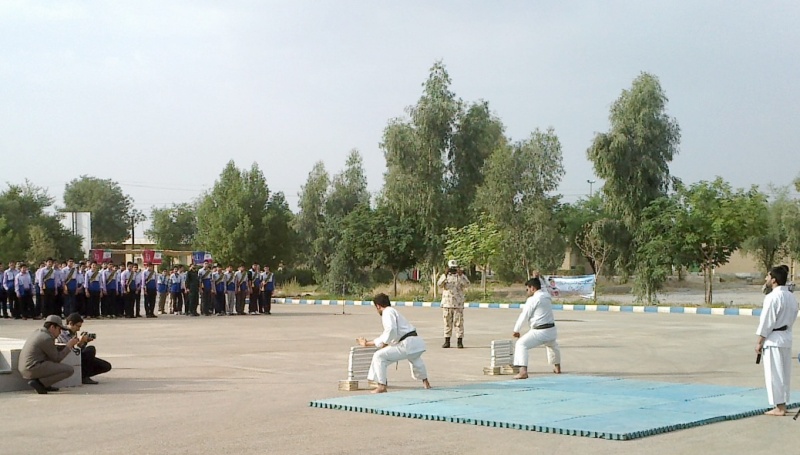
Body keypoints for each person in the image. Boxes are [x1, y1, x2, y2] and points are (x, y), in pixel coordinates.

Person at [356, 293, 431, 394]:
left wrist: (367, 343)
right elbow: (392, 334)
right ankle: (426, 383)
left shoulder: (387, 312)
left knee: (379, 356)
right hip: (415, 343)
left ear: (378, 306)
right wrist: (384, 343)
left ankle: (381, 385)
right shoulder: (394, 312)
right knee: (415, 359)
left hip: (406, 344)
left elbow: (391, 330)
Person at [755, 265, 799, 416]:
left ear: (774, 280)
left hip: (773, 339)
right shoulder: (791, 297)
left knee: (774, 373)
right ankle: (783, 404)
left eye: (768, 277)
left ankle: (779, 407)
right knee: (784, 373)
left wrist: (760, 341)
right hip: (786, 337)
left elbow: (767, 321)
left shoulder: (772, 297)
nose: (766, 279)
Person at [512, 277, 562, 379]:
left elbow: (524, 315)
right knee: (552, 345)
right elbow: (543, 287)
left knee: (521, 344)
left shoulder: (533, 300)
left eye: (527, 289)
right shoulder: (547, 296)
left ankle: (523, 372)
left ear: (533, 288)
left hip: (540, 331)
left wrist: (516, 330)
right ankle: (557, 368)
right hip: (551, 330)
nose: (527, 292)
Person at [18, 315, 81, 394]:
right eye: (59, 329)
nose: (60, 332)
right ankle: (41, 384)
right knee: (69, 370)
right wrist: (69, 346)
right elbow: (57, 358)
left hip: (27, 367)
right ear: (52, 327)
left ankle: (44, 384)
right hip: (32, 368)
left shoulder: (39, 332)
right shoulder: (46, 338)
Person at [58, 313, 112, 384]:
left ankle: (83, 374)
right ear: (70, 323)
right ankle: (84, 376)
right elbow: (70, 351)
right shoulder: (62, 334)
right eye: (77, 326)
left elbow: (78, 350)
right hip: (68, 359)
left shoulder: (73, 332)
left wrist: (83, 343)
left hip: (75, 356)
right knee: (90, 349)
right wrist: (79, 342)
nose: (78, 329)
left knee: (106, 366)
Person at [437, 259, 470, 348]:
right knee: (447, 323)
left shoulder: (460, 276)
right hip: (447, 304)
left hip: (458, 304)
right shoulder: (445, 276)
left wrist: (461, 275)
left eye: (454, 268)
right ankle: (447, 341)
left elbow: (467, 284)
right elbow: (439, 284)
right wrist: (445, 275)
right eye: (451, 268)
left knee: (459, 323)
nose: (453, 270)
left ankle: (459, 341)